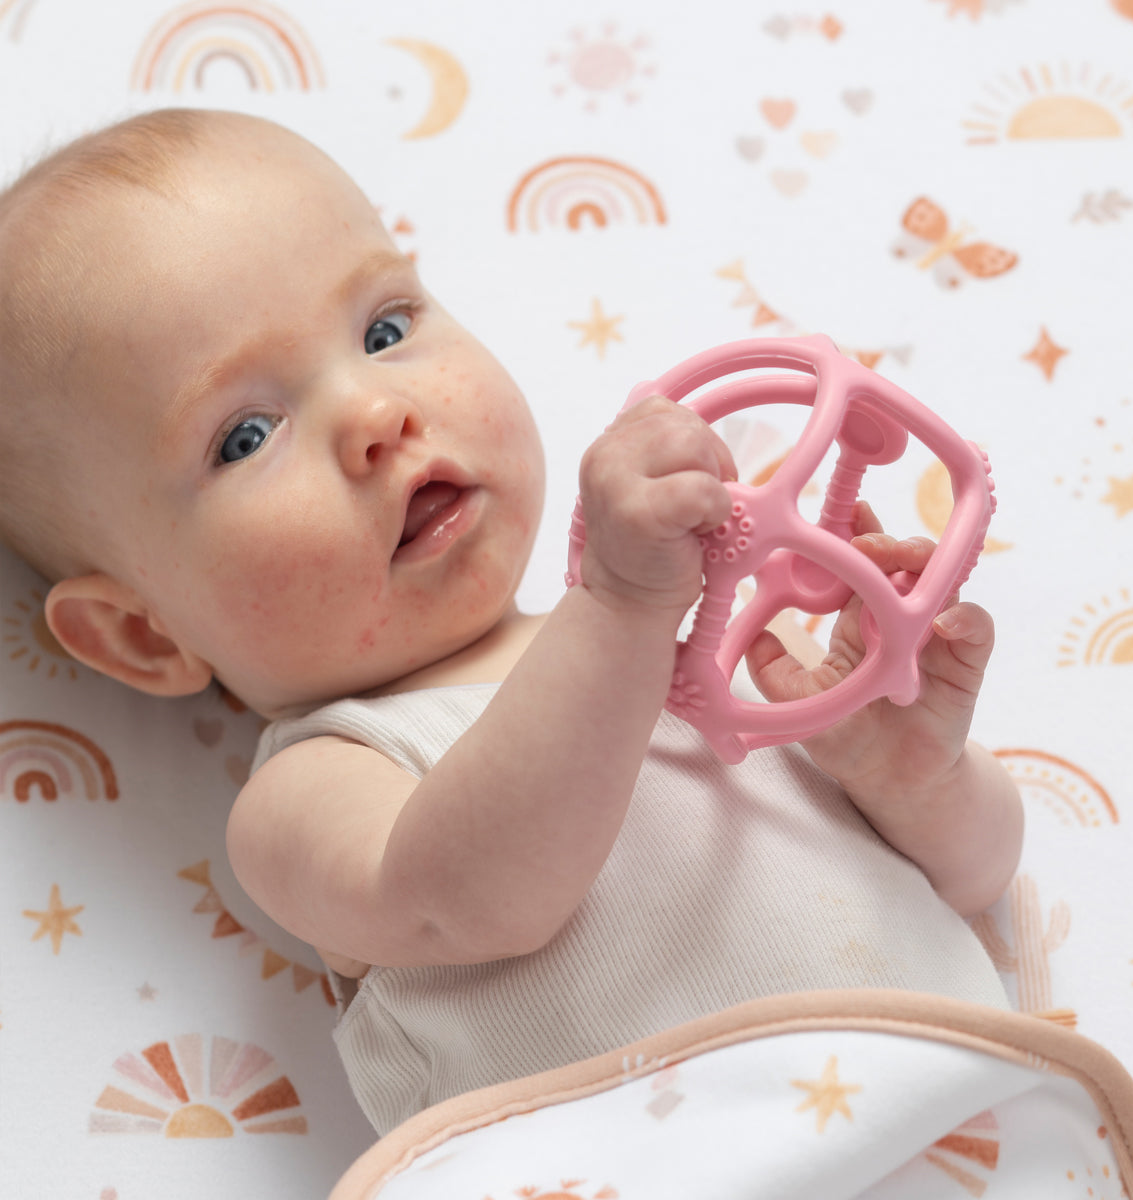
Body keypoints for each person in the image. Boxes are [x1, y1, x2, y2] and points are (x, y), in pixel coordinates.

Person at [0, 108, 1023, 1134]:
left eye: (385, 331)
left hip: (975, 1123)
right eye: (246, 435)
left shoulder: (710, 635)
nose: (374, 415)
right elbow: (477, 900)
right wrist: (619, 606)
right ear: (144, 636)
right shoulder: (316, 787)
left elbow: (977, 882)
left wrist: (911, 782)